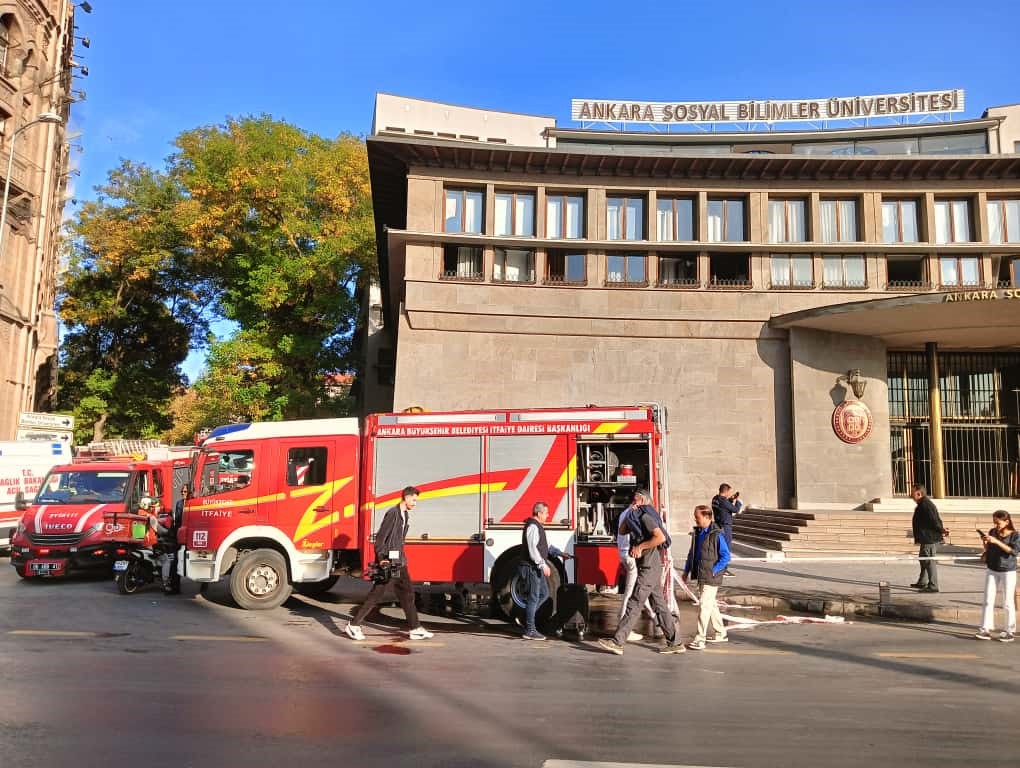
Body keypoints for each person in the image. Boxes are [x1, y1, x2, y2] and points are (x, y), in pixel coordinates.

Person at [597, 489, 685, 655]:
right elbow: (622, 531)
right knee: (659, 605)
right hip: (647, 566)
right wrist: (630, 513)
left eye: (635, 500)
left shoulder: (646, 517)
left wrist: (640, 546)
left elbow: (660, 538)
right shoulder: (635, 517)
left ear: (643, 501)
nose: (633, 502)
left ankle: (618, 642)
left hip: (650, 567)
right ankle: (675, 642)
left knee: (635, 602)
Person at [345, 486, 434, 642]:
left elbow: (398, 541)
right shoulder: (393, 514)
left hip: (400, 562)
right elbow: (380, 539)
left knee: (408, 595)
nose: (415, 503)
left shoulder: (405, 515)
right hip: (390, 563)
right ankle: (353, 625)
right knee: (376, 594)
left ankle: (415, 628)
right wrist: (382, 559)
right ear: (406, 498)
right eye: (413, 500)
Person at [519, 501, 572, 640]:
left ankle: (527, 620)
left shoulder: (538, 527)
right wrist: (543, 564)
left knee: (544, 593)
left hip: (535, 567)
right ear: (539, 513)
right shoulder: (532, 527)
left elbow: (545, 547)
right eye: (546, 513)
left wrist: (560, 553)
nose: (548, 516)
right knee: (534, 597)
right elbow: (532, 549)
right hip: (531, 568)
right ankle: (529, 630)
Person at [683, 504, 731, 650]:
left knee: (704, 605)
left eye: (697, 517)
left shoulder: (716, 534)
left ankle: (700, 638)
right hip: (701, 574)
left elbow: (726, 556)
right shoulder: (698, 532)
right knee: (711, 605)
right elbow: (692, 554)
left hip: (711, 576)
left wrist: (714, 570)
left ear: (707, 517)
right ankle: (720, 633)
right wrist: (686, 571)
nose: (695, 519)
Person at [975, 510, 1018, 642]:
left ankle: (1009, 630)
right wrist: (985, 542)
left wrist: (997, 541)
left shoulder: (1015, 535)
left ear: (1007, 521)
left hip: (1008, 570)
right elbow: (989, 549)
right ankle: (985, 629)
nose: (996, 525)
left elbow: (1013, 551)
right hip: (992, 568)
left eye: (998, 523)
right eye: (994, 522)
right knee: (988, 600)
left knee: (1008, 602)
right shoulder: (993, 532)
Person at [616, 501, 655, 642]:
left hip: (623, 554)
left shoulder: (623, 513)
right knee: (631, 591)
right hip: (630, 556)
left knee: (638, 586)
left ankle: (652, 613)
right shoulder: (632, 514)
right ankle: (623, 627)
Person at [910, 484, 948, 593]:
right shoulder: (922, 504)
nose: (911, 495)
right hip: (925, 538)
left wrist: (941, 530)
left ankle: (933, 585)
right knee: (923, 560)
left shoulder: (926, 504)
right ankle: (922, 581)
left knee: (929, 561)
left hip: (929, 538)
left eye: (912, 492)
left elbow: (934, 519)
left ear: (919, 493)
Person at [711, 483, 741, 577]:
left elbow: (724, 505)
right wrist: (738, 502)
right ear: (726, 491)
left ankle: (719, 568)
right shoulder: (724, 501)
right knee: (726, 548)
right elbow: (735, 509)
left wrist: (731, 499)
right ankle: (723, 569)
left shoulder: (715, 499)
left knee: (720, 547)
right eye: (728, 492)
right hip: (725, 526)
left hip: (718, 524)